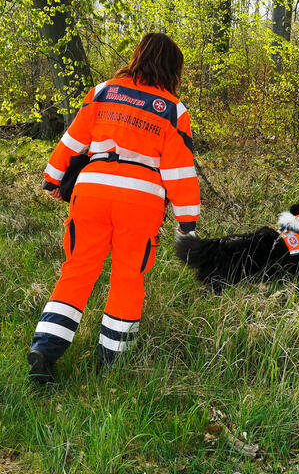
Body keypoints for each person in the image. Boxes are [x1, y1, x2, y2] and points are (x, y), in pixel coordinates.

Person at [28, 33, 201, 384]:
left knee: (77, 269)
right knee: (127, 277)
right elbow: (179, 171)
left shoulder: (104, 91)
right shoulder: (173, 109)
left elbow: (72, 140)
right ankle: (112, 363)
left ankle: (44, 350)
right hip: (140, 200)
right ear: (173, 69)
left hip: (92, 191)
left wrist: (52, 178)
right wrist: (187, 221)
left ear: (138, 56)